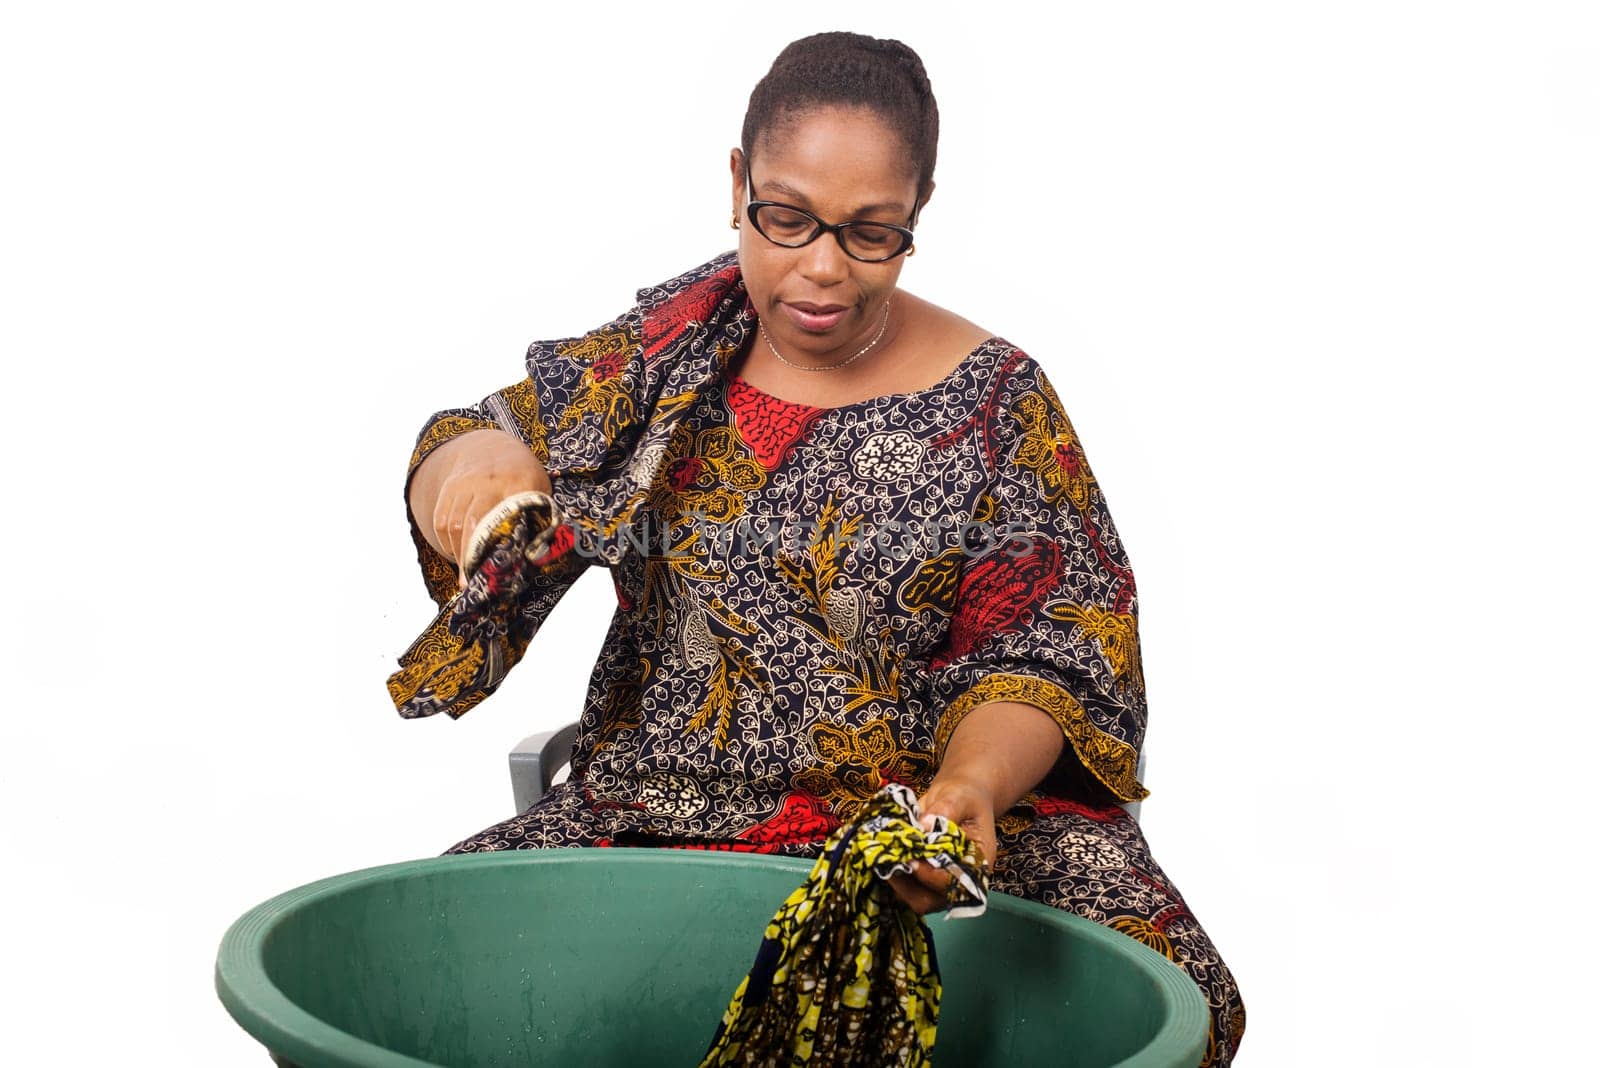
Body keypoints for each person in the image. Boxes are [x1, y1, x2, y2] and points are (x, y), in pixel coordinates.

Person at [389, 31, 1245, 1066]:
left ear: (916, 220)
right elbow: (471, 437)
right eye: (786, 218)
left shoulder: (996, 407)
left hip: (936, 828)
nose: (821, 268)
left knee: (1178, 1006)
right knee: (422, 971)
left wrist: (968, 789)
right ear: (738, 183)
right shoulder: (660, 361)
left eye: (870, 232)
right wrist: (481, 483)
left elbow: (1049, 655)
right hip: (667, 807)